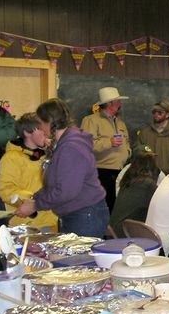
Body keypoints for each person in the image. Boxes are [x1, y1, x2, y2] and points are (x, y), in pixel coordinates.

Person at [15, 98, 109, 237]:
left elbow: (66, 191)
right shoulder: (63, 144)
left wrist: (36, 204)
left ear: (50, 121)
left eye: (40, 123)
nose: (40, 128)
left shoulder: (71, 147)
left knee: (79, 259)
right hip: (77, 214)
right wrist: (35, 199)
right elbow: (54, 184)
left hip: (84, 215)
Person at [0, 113, 57, 231]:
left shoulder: (46, 156)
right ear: (27, 132)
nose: (46, 134)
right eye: (41, 130)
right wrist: (33, 199)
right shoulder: (11, 157)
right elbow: (5, 189)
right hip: (24, 222)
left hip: (48, 220)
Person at [80, 87, 131, 212]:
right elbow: (86, 145)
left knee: (115, 208)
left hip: (120, 172)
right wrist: (109, 142)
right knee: (102, 208)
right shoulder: (91, 121)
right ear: (109, 103)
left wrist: (128, 152)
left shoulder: (120, 123)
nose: (120, 104)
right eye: (117, 101)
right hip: (101, 172)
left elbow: (127, 142)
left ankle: (111, 231)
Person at [109, 147, 161, 238]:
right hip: (127, 235)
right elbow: (161, 207)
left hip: (114, 233)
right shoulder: (147, 184)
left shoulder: (126, 182)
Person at [136, 100, 169, 174]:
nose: (156, 114)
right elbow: (138, 149)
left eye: (160, 112)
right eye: (154, 112)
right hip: (149, 175)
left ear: (167, 115)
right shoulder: (145, 133)